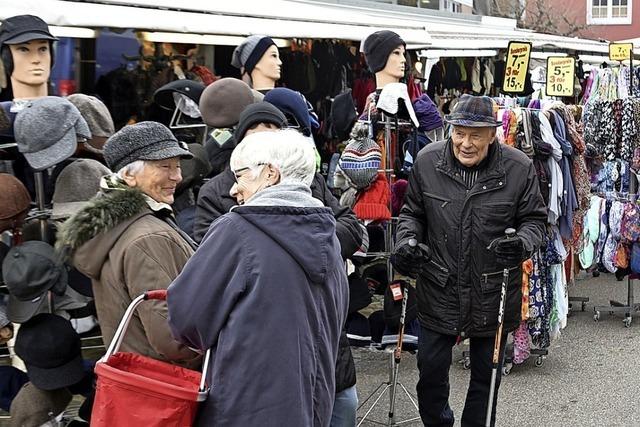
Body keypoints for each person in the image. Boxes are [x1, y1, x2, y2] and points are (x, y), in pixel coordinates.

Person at [192, 101, 361, 426]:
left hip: (311, 360)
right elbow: (207, 284)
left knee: (341, 407)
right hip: (271, 364)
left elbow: (190, 316)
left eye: (273, 137)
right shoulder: (223, 197)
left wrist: (299, 243)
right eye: (256, 139)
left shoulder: (309, 197)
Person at [392, 94, 547, 427]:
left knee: (485, 379)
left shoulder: (518, 168)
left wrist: (521, 243)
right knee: (430, 373)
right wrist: (406, 241)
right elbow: (412, 213)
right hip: (439, 286)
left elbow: (536, 220)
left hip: (492, 290)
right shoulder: (426, 161)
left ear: (493, 134)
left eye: (475, 134)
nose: (465, 143)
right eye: (459, 133)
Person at [57, 121, 200, 368]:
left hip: (145, 379)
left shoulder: (123, 225)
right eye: (165, 166)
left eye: (177, 166)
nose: (177, 175)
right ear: (129, 175)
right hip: (171, 384)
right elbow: (172, 339)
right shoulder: (147, 237)